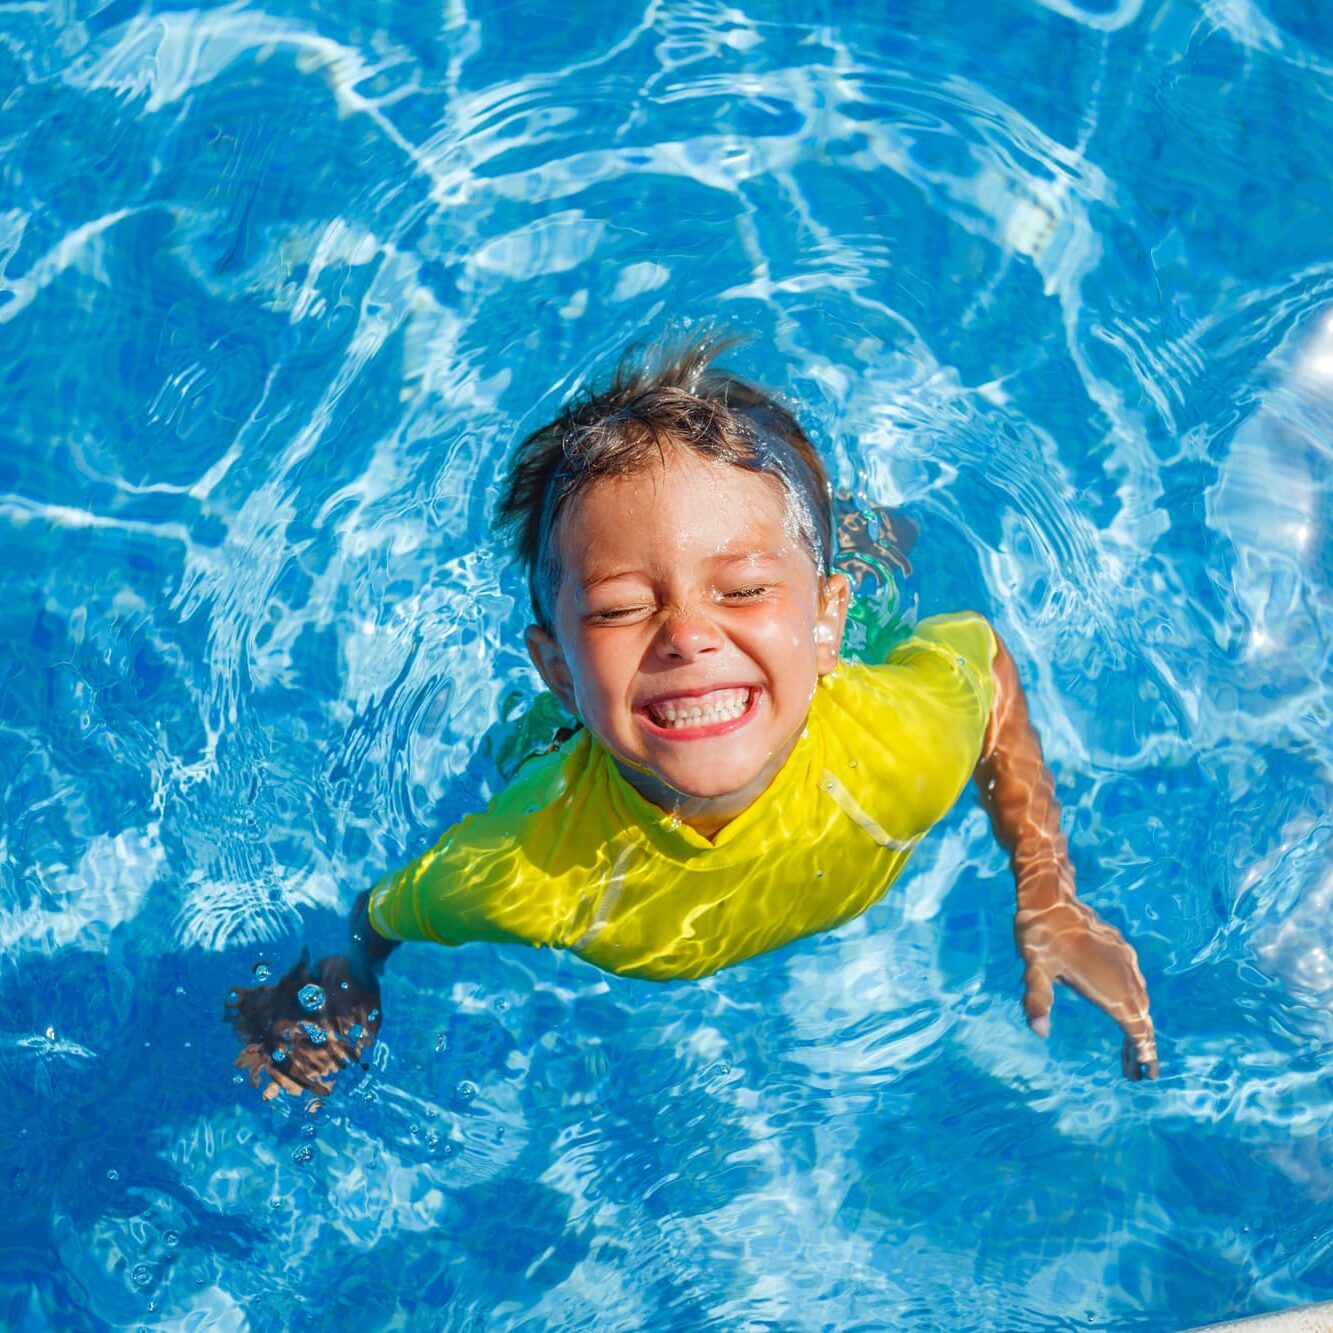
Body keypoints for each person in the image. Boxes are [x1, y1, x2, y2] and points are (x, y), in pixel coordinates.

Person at [228, 340, 1158, 1100]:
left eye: (740, 588)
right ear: (553, 662)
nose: (686, 636)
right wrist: (348, 980)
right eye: (621, 607)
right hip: (570, 746)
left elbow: (985, 660)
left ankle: (847, 551)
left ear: (820, 622)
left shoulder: (898, 748)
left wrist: (1046, 892)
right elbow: (378, 915)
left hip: (838, 653)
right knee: (521, 748)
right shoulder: (529, 863)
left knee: (881, 554)